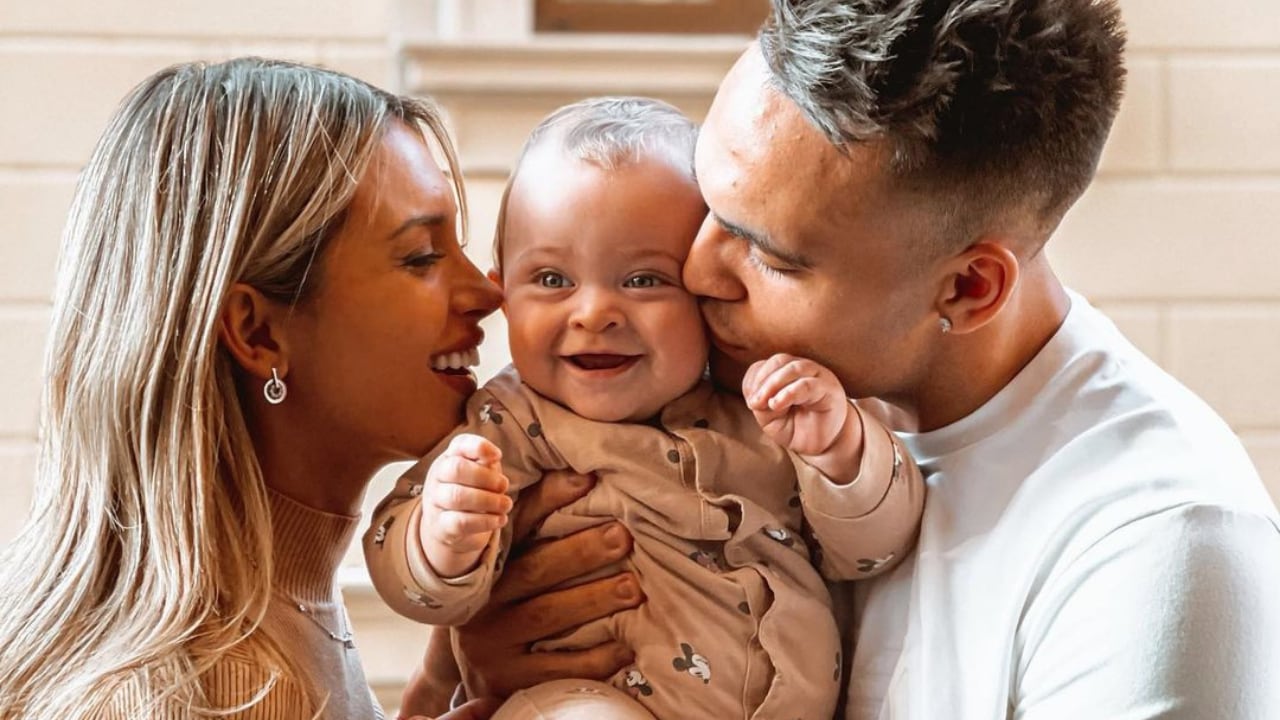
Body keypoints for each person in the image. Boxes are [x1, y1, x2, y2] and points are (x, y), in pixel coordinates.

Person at [410, 1, 1280, 717]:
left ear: (969, 288)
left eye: (772, 256)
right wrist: (487, 655)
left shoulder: (1156, 551)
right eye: (706, 204)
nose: (698, 271)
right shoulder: (700, 386)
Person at [364, 97, 925, 720]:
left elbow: (875, 548)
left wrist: (842, 449)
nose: (594, 312)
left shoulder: (764, 411)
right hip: (584, 700)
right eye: (551, 279)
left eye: (643, 280)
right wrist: (443, 534)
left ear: (705, 290)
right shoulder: (509, 424)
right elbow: (412, 581)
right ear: (505, 290)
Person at [0, 57, 507, 720]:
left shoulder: (273, 615)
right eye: (420, 257)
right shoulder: (218, 690)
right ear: (258, 334)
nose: (488, 293)